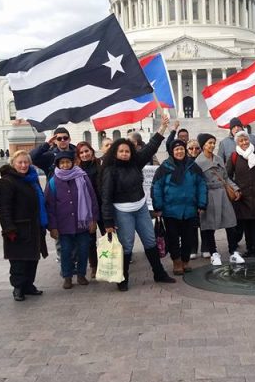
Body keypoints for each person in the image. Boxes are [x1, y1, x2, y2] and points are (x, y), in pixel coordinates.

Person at [101, 115, 176, 291]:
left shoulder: (136, 163)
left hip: (141, 208)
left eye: (127, 151)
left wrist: (162, 128)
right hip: (122, 211)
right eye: (121, 151)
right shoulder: (110, 170)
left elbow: (151, 147)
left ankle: (159, 273)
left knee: (150, 240)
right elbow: (106, 197)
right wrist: (108, 222)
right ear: (115, 152)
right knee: (127, 245)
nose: (124, 154)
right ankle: (123, 278)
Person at [0, 151, 49, 301]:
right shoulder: (7, 181)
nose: (23, 165)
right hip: (18, 228)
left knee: (32, 258)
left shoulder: (31, 179)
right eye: (20, 162)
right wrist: (8, 228)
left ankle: (28, 285)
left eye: (26, 162)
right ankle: (18, 287)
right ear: (13, 163)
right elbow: (3, 207)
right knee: (18, 259)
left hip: (34, 225)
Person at [152, 139, 208, 275]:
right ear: (172, 151)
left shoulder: (193, 167)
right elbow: (157, 187)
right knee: (173, 238)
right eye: (176, 149)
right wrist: (158, 207)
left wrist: (202, 203)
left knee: (188, 238)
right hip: (170, 211)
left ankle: (185, 260)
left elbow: (201, 185)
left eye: (182, 149)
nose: (179, 151)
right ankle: (176, 262)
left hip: (189, 210)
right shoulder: (164, 168)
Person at [45, 150, 99, 289]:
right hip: (64, 225)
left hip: (82, 223)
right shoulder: (53, 181)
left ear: (73, 163)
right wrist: (53, 227)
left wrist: (93, 219)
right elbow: (50, 205)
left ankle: (81, 274)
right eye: (62, 163)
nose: (65, 165)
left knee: (83, 250)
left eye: (67, 162)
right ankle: (67, 276)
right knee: (66, 252)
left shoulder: (82, 177)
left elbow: (92, 198)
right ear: (58, 165)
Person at [194, 133, 244, 266]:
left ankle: (233, 251)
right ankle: (214, 253)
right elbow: (196, 184)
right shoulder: (197, 163)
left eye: (213, 143)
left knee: (230, 223)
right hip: (208, 195)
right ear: (203, 145)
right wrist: (199, 202)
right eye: (209, 143)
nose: (212, 145)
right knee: (209, 226)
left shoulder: (219, 159)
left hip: (222, 194)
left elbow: (226, 178)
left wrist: (236, 189)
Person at [226, 131, 255, 259]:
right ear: (237, 143)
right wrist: (235, 189)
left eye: (245, 140)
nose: (244, 142)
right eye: (241, 141)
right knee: (246, 223)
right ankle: (249, 249)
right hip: (243, 196)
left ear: (249, 140)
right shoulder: (234, 156)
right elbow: (227, 176)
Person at [76, 141, 105, 279]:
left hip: (102, 205)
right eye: (81, 152)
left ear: (92, 151)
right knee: (90, 239)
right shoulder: (77, 170)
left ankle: (110, 262)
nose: (84, 154)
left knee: (108, 235)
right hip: (87, 208)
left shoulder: (100, 164)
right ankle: (94, 265)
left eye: (86, 151)